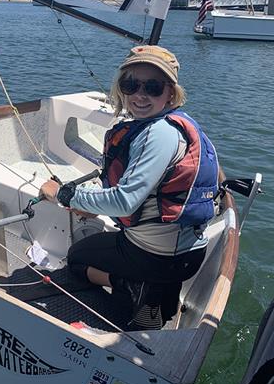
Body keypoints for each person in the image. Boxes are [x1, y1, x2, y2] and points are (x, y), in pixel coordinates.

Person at [39, 45, 219, 330]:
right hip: (186, 253)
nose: (140, 95)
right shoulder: (178, 126)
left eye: (153, 87)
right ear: (121, 87)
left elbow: (125, 202)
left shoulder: (158, 134)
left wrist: (63, 194)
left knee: (76, 258)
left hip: (155, 256)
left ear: (170, 93)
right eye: (131, 84)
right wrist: (89, 205)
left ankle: (132, 284)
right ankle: (151, 293)